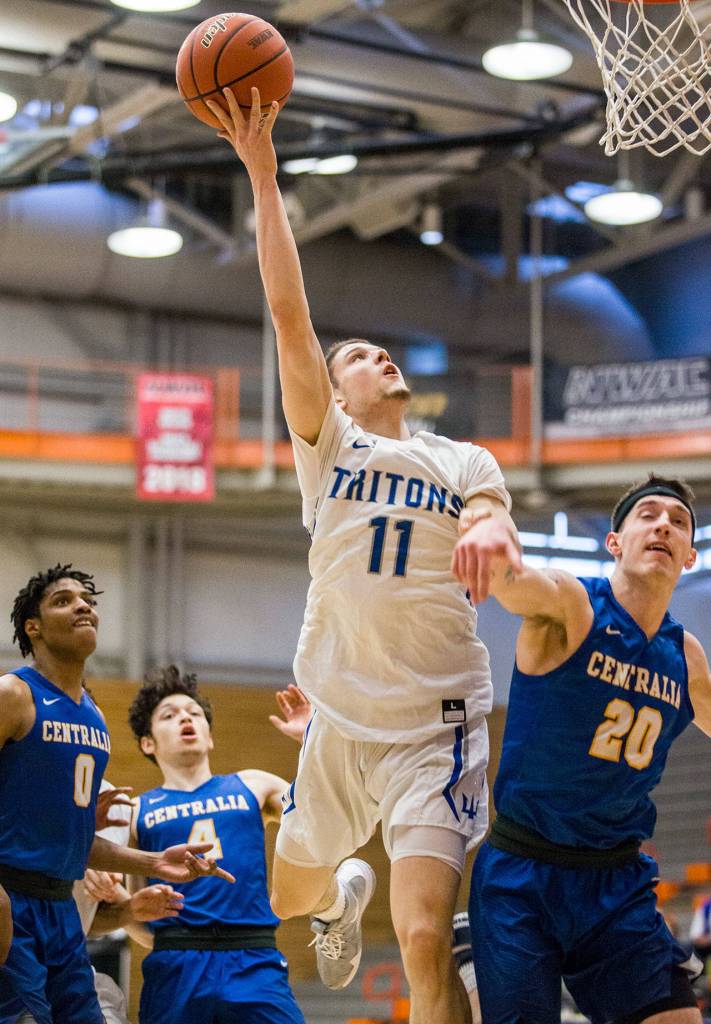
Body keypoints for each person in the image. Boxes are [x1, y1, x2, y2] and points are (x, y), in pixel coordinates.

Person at [206, 87, 520, 1024]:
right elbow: (285, 312)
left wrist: (491, 526)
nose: (375, 355)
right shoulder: (329, 447)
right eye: (357, 355)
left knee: (424, 936)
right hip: (341, 714)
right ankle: (338, 889)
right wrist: (263, 177)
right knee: (286, 901)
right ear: (335, 393)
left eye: (382, 352)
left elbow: (491, 512)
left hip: (437, 723)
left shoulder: (460, 456)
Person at [456, 475, 711, 1024]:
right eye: (648, 514)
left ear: (690, 555)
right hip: (524, 872)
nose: (664, 523)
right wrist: (494, 549)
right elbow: (518, 582)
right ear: (615, 542)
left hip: (616, 883)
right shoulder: (574, 606)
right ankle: (476, 967)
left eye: (678, 520)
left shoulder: (685, 657)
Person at [0, 565, 234, 1024]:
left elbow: (74, 841)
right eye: (63, 600)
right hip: (11, 900)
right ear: (34, 627)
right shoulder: (14, 694)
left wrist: (152, 862)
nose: (83, 605)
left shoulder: (94, 721)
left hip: (61, 913)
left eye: (87, 599)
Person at [127, 665, 306, 1024]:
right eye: (169, 715)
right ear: (148, 742)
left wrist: (310, 744)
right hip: (176, 962)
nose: (185, 718)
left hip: (254, 957)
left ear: (209, 736)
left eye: (194, 713)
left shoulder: (253, 785)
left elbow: (318, 816)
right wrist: (170, 941)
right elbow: (133, 908)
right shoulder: (136, 810)